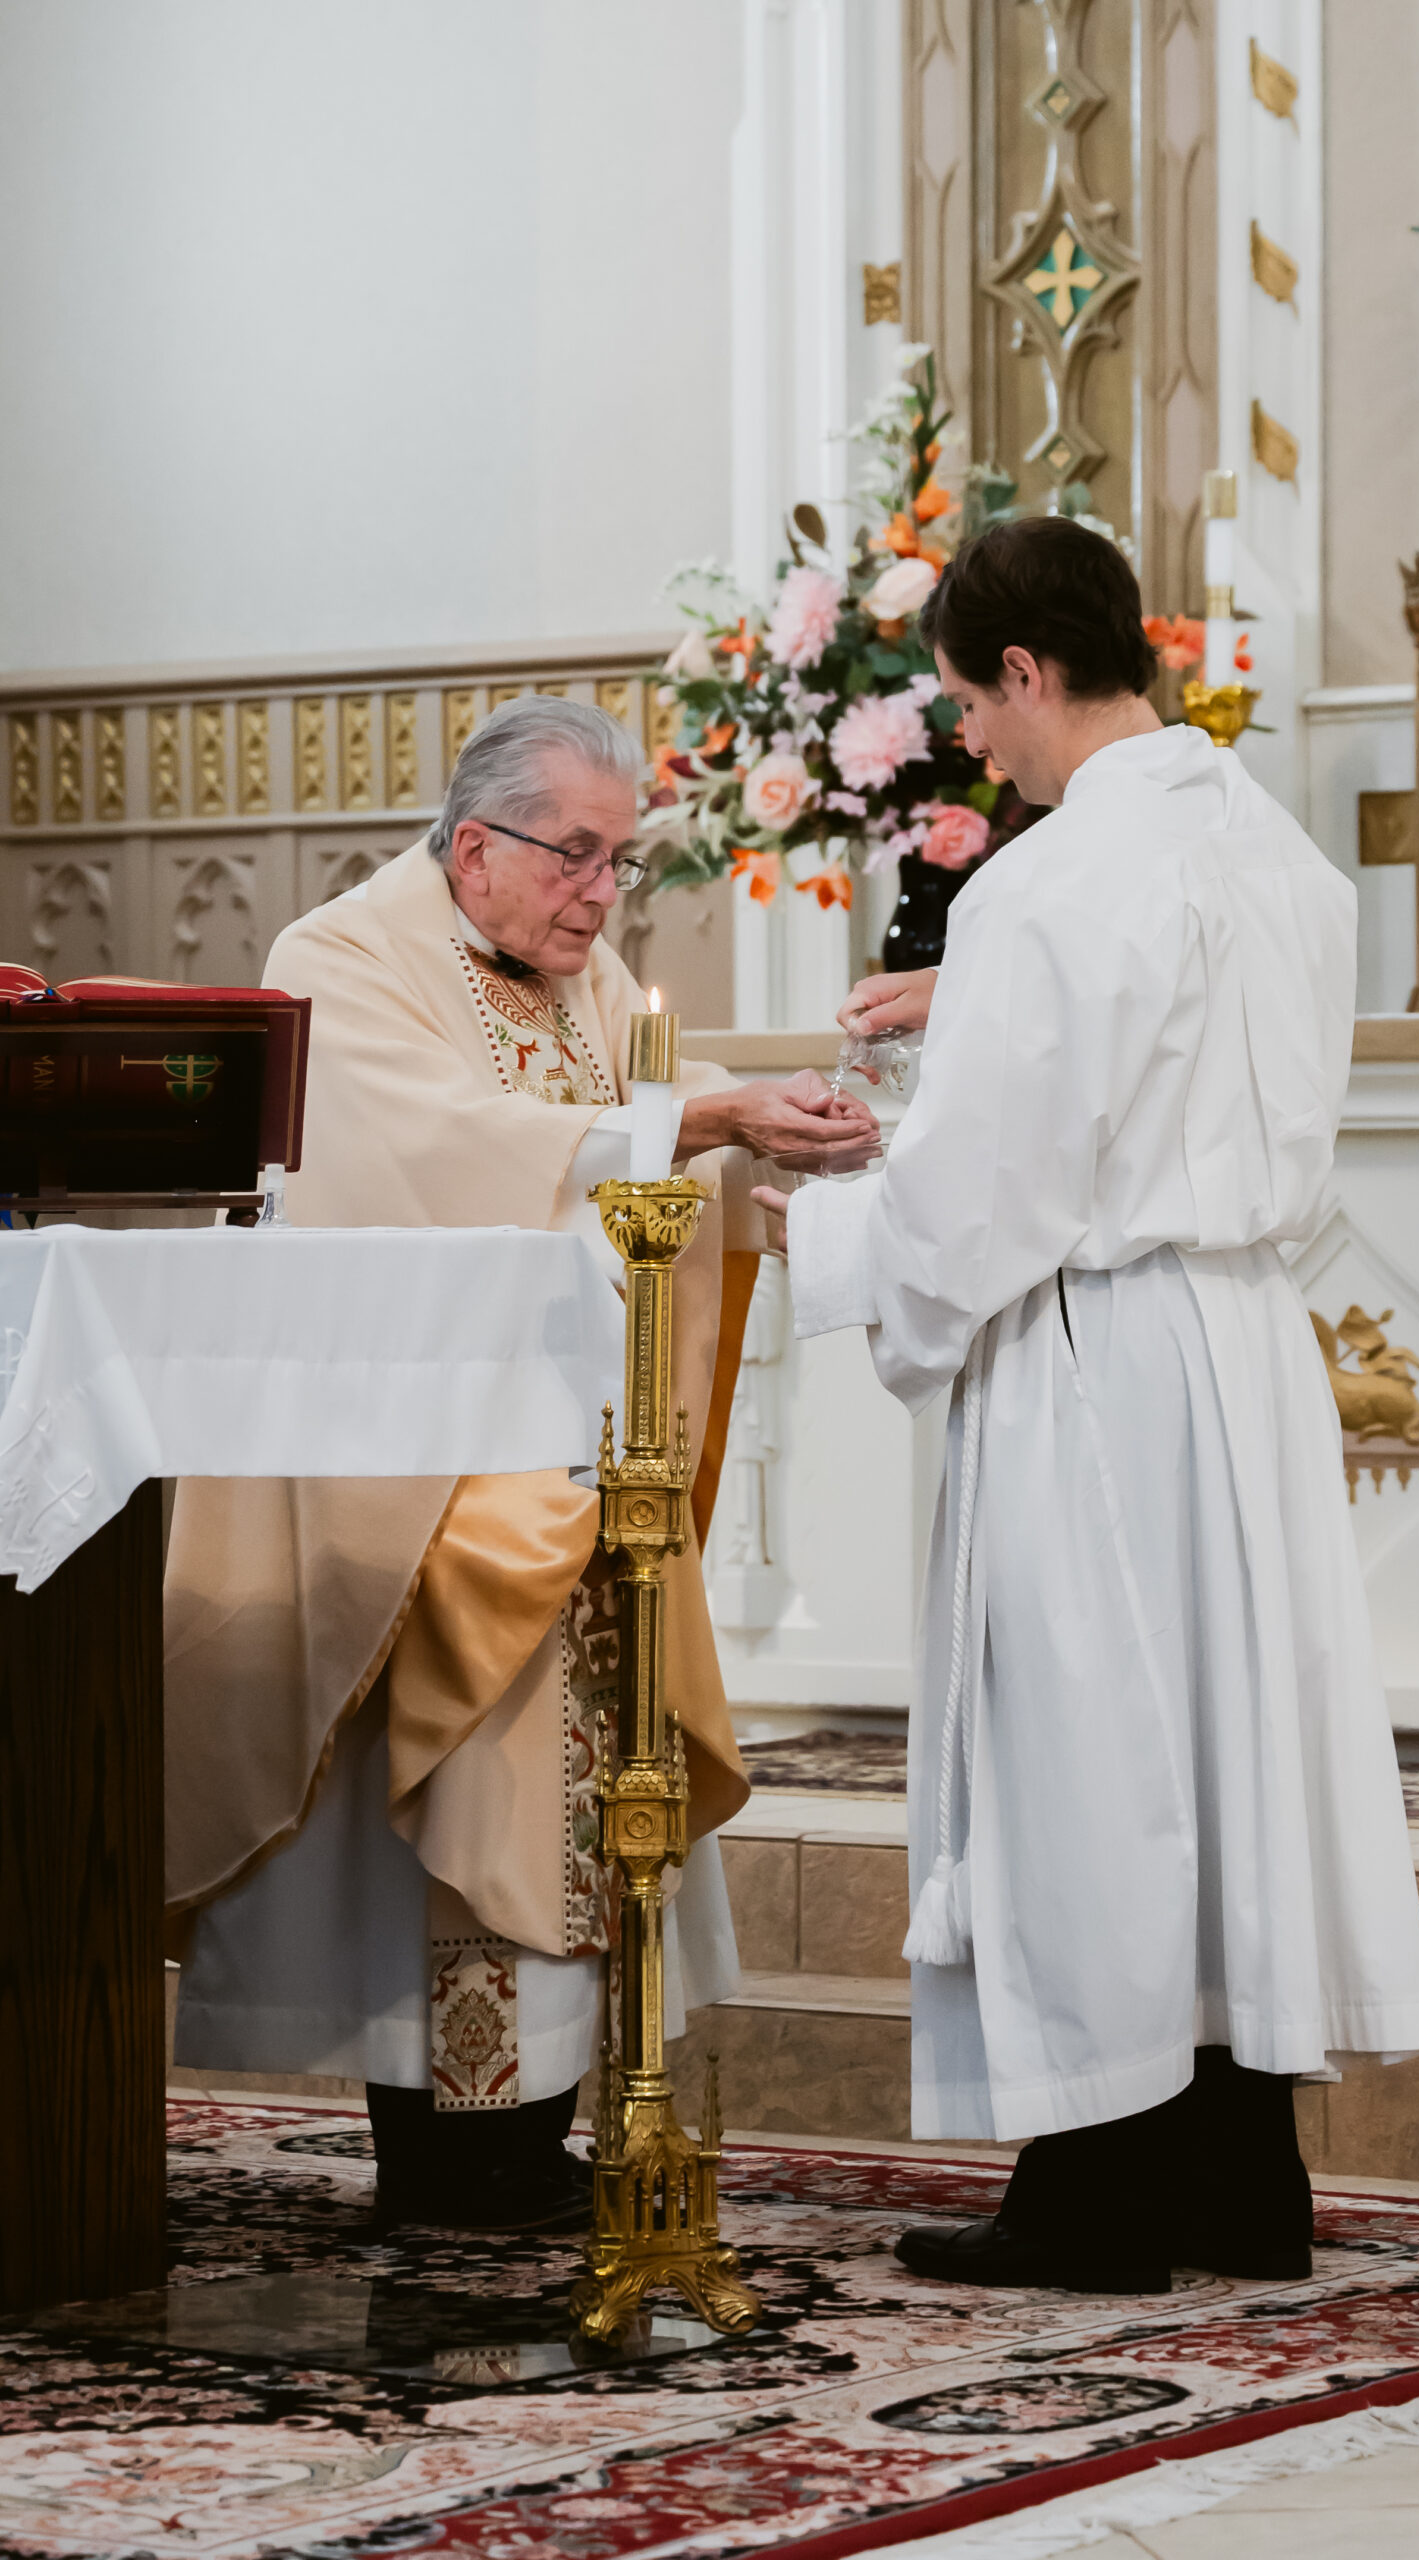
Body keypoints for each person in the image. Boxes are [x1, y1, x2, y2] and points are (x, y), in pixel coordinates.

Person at [755, 517, 1419, 2292]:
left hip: (1097, 1358)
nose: (977, 740)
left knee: (1089, 1759)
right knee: (1222, 1759)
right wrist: (968, 997)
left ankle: (1099, 2193)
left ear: (1030, 674)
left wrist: (818, 1234)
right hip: (1237, 1344)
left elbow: (993, 1195)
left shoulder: (1045, 883)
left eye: (974, 701)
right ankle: (1238, 2175)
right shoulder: (1273, 849)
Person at [166, 696, 877, 2232]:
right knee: (495, 1699)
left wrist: (762, 1148)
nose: (599, 894)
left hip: (558, 1445)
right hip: (404, 1473)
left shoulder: (586, 976)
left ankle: (529, 2122)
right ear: (474, 844)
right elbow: (435, 1150)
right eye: (575, 856)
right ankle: (449, 2142)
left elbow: (640, 1148)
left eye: (618, 863)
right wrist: (696, 1115)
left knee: (582, 1725)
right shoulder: (338, 958)